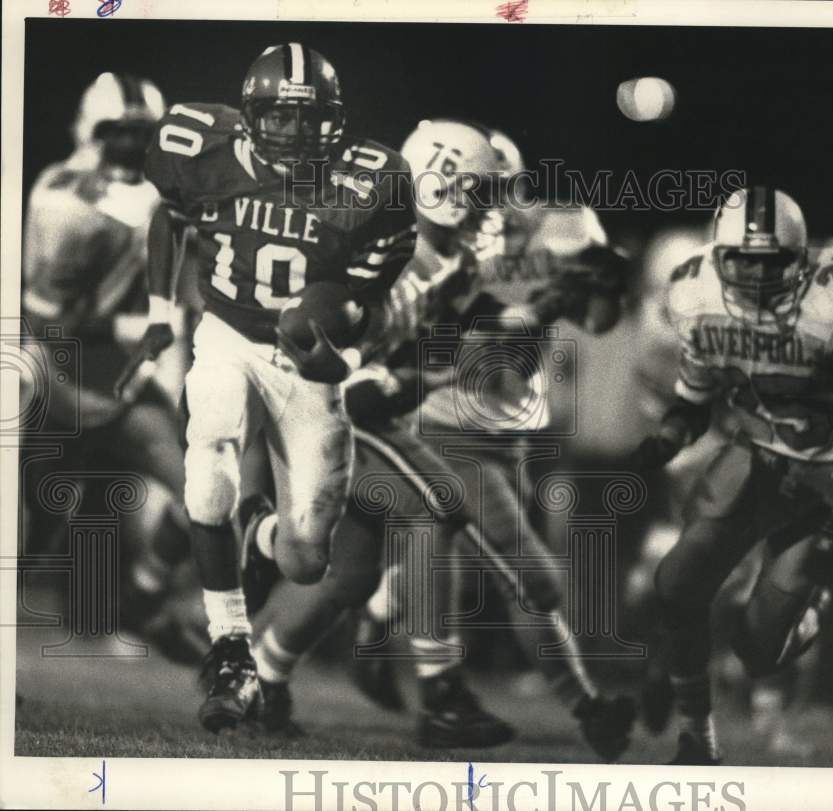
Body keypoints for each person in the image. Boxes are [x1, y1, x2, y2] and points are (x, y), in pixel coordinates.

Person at [246, 119, 637, 760]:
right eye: (484, 194)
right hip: (364, 415)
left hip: (438, 421)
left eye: (499, 194)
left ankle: (265, 670)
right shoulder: (393, 247)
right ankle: (445, 690)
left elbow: (484, 334)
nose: (495, 212)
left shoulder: (475, 249)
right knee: (461, 524)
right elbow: (365, 364)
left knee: (342, 571)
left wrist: (582, 292)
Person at [122, 43, 416, 732]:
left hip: (304, 365)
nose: (294, 132)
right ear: (251, 116)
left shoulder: (374, 183)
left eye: (310, 119)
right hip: (225, 333)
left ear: (336, 122)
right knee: (206, 470)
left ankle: (254, 533)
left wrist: (340, 343)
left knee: (307, 558)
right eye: (279, 117)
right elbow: (170, 214)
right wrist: (164, 315)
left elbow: (374, 297)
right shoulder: (198, 146)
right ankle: (231, 649)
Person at [633, 186, 833, 764]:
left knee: (757, 650)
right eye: (743, 261)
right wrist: (669, 437)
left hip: (826, 475)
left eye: (771, 263)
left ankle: (804, 615)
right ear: (718, 257)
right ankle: (696, 739)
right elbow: (694, 397)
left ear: (801, 262)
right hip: (754, 455)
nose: (755, 277)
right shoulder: (695, 294)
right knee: (675, 586)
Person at [19, 71, 201, 661]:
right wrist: (132, 329)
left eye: (141, 134)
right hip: (56, 380)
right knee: (28, 535)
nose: (131, 147)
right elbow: (46, 321)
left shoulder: (165, 197)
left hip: (125, 384)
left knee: (205, 493)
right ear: (93, 131)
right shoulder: (62, 197)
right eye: (119, 133)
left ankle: (146, 602)